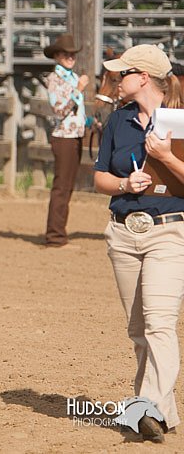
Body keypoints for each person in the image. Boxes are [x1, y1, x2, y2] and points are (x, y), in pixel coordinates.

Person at [94, 44, 184, 443]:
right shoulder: (118, 121)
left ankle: (145, 406)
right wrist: (125, 184)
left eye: (121, 74)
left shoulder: (179, 121)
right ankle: (162, 412)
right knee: (138, 330)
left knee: (160, 323)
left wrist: (167, 157)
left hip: (169, 231)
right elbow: (99, 180)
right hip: (123, 232)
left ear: (143, 77)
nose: (115, 80)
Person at [43, 33, 89, 247]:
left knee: (67, 186)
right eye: (65, 54)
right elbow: (59, 110)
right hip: (63, 137)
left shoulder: (70, 77)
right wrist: (79, 90)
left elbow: (74, 111)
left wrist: (88, 123)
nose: (70, 57)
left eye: (72, 54)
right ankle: (55, 236)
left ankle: (58, 232)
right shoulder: (55, 79)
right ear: (57, 56)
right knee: (62, 186)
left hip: (74, 136)